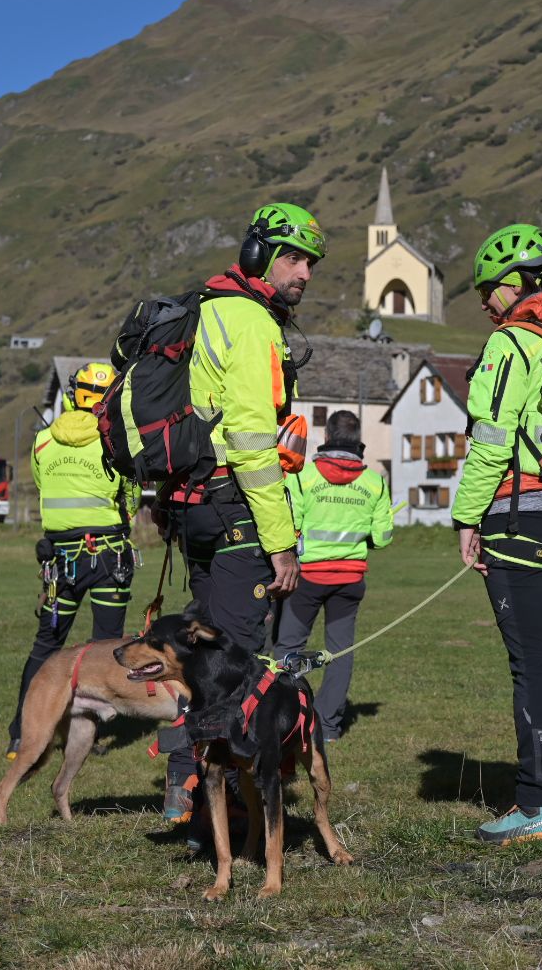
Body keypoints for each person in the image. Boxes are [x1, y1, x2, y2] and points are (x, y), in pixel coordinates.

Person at [159, 201, 326, 824]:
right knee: (233, 671)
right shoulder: (253, 324)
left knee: (200, 663)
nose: (303, 273)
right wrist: (280, 541)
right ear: (258, 255)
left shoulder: (202, 311)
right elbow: (254, 440)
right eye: (292, 257)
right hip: (235, 512)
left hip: (193, 509)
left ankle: (189, 799)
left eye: (310, 262)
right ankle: (219, 811)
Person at [452, 223, 542, 846]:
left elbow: (490, 441)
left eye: (488, 290)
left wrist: (466, 517)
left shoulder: (510, 345)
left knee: (532, 664)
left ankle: (535, 805)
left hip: (520, 516)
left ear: (512, 286)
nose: (485, 303)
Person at [6, 361, 140, 759]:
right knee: (105, 646)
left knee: (47, 645)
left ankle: (21, 732)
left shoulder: (44, 441)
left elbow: (41, 484)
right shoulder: (115, 441)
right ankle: (90, 733)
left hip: (61, 560)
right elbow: (129, 496)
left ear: (72, 394)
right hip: (109, 557)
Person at [273, 409, 394, 743]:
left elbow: (288, 525)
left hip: (307, 578)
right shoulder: (375, 481)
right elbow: (383, 538)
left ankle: (283, 719)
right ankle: (327, 727)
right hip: (350, 580)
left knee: (287, 648)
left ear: (326, 438)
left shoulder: (302, 476)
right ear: (358, 442)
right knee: (339, 652)